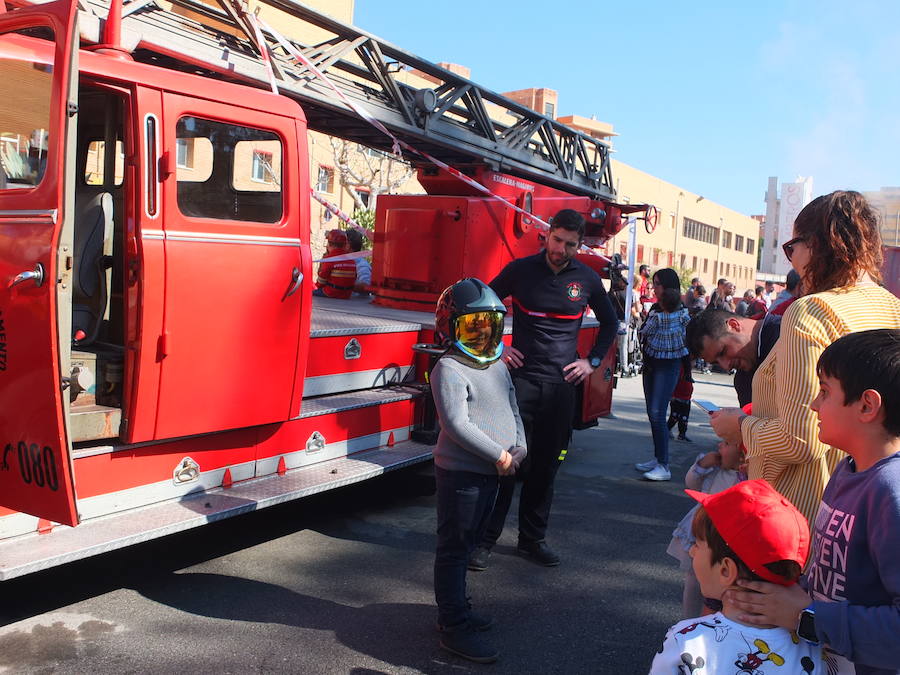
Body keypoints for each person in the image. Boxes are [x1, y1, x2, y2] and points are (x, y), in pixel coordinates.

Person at [710, 190, 900, 530]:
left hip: (801, 507)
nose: (791, 260)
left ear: (817, 244)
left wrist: (739, 427)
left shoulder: (812, 310)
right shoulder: (891, 307)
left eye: (791, 247)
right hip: (861, 501)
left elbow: (799, 439)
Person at [729, 329, 900, 674]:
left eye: (824, 392)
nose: (813, 404)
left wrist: (804, 616)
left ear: (867, 405)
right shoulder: (847, 469)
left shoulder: (890, 492)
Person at [468, 209, 617, 570]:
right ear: (546, 236)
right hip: (519, 385)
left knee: (545, 469)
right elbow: (479, 307)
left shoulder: (587, 279)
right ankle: (484, 541)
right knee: (505, 464)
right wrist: (499, 348)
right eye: (557, 240)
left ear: (578, 246)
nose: (561, 249)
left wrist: (591, 363)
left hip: (561, 389)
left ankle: (531, 540)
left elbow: (611, 323)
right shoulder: (520, 270)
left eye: (570, 244)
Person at [429, 278, 527, 663]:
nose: (484, 332)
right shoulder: (448, 369)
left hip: (492, 472)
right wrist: (498, 456)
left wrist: (520, 445)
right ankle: (453, 627)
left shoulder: (498, 365)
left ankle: (458, 609)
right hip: (463, 475)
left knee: (468, 545)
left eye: (490, 324)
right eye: (473, 325)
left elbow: (512, 407)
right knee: (454, 549)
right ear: (452, 328)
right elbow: (456, 424)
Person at [650, 480, 824, 674]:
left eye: (698, 544)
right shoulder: (815, 646)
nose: (691, 551)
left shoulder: (685, 642)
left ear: (726, 570)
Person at [666, 440, 744, 618]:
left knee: (724, 584)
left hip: (725, 537)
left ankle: (716, 619)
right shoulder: (715, 469)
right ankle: (689, 619)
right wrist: (701, 465)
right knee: (694, 579)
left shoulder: (746, 477)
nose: (719, 446)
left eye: (726, 443)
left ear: (742, 454)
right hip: (701, 533)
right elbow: (692, 483)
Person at [635, 277, 689, 481]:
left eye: (658, 283)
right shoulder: (678, 313)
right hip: (654, 364)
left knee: (657, 413)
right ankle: (658, 458)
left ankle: (664, 464)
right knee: (653, 413)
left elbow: (644, 332)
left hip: (663, 364)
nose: (654, 286)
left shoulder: (660, 314)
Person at [686, 309, 782, 408]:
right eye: (716, 363)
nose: (726, 366)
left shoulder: (788, 337)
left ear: (733, 325)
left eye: (723, 352)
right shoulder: (743, 380)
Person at [314, 229, 357, 299]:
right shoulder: (351, 259)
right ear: (345, 245)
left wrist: (315, 287)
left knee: (308, 293)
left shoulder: (330, 259)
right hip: (346, 295)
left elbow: (321, 281)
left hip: (331, 293)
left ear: (329, 244)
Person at [666, 361, 693, 442]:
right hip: (677, 396)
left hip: (686, 397)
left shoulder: (687, 368)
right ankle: (667, 429)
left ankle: (682, 434)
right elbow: (672, 381)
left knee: (684, 417)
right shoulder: (678, 367)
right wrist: (671, 394)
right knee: (675, 416)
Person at [345, 228, 372, 296]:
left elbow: (366, 286)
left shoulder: (362, 265)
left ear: (348, 245)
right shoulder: (337, 260)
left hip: (353, 305)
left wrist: (343, 285)